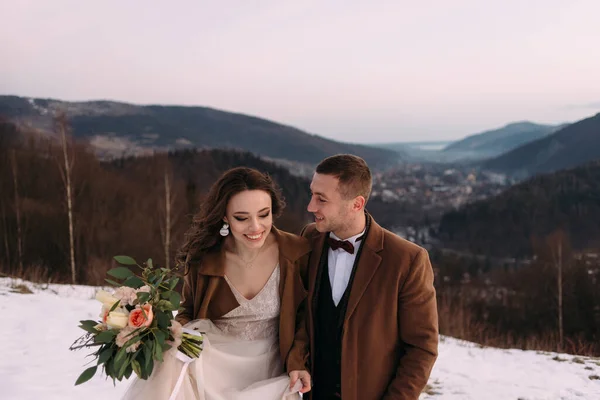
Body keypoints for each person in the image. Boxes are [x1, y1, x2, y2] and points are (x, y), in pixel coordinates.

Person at [123, 167, 312, 399]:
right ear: (224, 216)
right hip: (212, 365)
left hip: (272, 367)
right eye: (242, 218)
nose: (255, 227)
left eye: (264, 214)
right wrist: (171, 332)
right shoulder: (203, 259)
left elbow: (306, 318)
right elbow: (188, 310)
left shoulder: (298, 253)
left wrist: (297, 362)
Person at [301, 154, 438, 400]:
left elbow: (421, 348)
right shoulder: (308, 239)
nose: (311, 206)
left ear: (356, 204)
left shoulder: (407, 259)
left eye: (321, 199)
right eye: (312, 194)